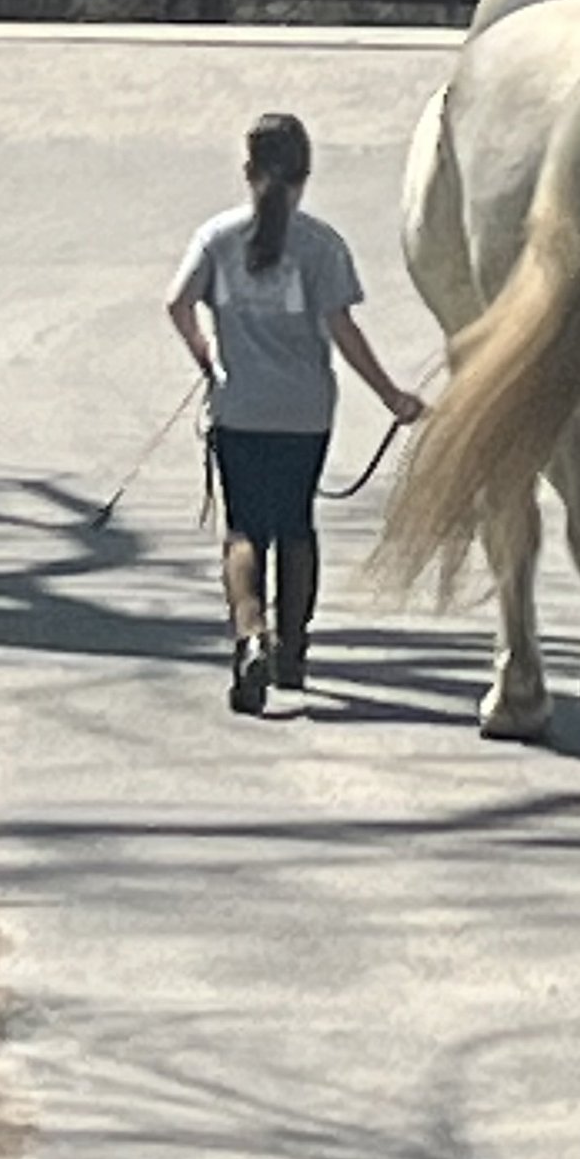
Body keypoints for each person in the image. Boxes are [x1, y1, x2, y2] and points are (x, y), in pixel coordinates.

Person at [165, 111, 425, 713]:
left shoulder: (217, 239)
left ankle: (249, 634)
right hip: (305, 412)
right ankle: (292, 652)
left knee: (243, 529)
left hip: (239, 408)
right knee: (296, 525)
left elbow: (177, 303)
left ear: (247, 170)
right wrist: (392, 396)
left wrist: (208, 358)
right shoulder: (321, 245)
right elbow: (342, 329)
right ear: (305, 175)